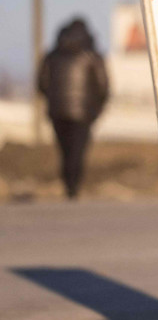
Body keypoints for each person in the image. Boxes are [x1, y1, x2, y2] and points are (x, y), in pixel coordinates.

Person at [37, 17, 109, 199]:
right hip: (84, 113)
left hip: (57, 111)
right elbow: (103, 86)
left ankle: (68, 185)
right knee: (78, 150)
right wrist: (97, 108)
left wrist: (52, 100)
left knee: (64, 149)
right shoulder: (92, 55)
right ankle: (73, 187)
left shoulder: (52, 55)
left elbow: (41, 83)